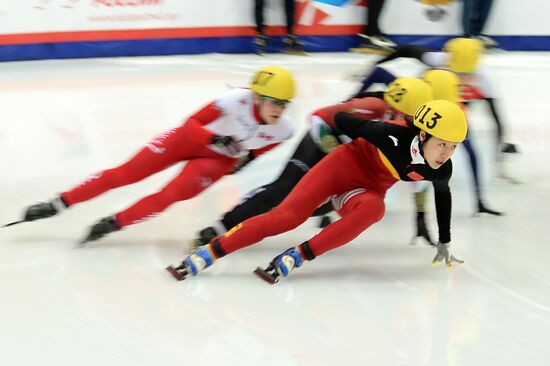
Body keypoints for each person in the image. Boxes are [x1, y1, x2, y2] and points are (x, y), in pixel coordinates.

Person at [166, 99, 468, 283]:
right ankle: (210, 252)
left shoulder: (441, 167)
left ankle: (297, 255)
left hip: (364, 191)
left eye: (453, 147)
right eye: (442, 144)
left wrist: (444, 240)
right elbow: (337, 119)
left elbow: (444, 195)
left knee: (376, 209)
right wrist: (332, 146)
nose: (446, 153)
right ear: (424, 133)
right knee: (286, 217)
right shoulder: (390, 134)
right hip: (341, 167)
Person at [10, 66, 297, 245]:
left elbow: (262, 148)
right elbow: (192, 123)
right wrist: (214, 138)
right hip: (189, 140)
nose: (280, 110)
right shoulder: (235, 100)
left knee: (170, 196)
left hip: (216, 160)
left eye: (285, 104)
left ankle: (114, 222)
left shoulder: (284, 129)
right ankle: (59, 203)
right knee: (124, 174)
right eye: (275, 102)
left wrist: (244, 160)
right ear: (257, 97)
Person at [189, 77, 434, 252]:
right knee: (283, 190)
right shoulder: (373, 106)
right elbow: (318, 117)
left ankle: (317, 215)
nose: (391, 117)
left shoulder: (417, 134)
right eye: (390, 110)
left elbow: (418, 174)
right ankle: (221, 227)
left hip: (350, 161)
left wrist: (421, 216)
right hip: (322, 142)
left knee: (316, 207)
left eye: (399, 114)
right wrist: (333, 152)